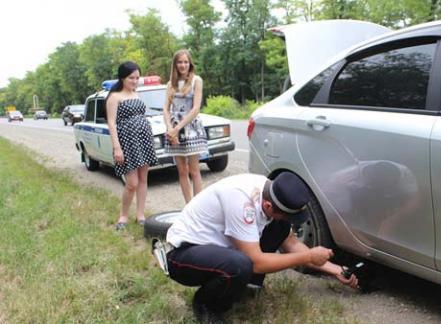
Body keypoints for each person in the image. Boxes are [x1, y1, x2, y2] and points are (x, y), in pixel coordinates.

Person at [165, 172, 359, 321]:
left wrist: (335, 270)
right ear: (267, 206)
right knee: (241, 264)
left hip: (218, 249)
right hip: (184, 254)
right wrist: (308, 257)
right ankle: (206, 305)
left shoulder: (271, 191)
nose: (292, 221)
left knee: (279, 226)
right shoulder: (242, 201)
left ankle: (247, 286)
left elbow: (290, 243)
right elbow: (256, 262)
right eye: (288, 214)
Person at [106, 61, 158, 230]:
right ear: (122, 78)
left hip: (143, 140)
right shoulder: (114, 97)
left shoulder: (136, 95)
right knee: (132, 183)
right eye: (131, 78)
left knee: (144, 179)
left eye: (137, 78)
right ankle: (123, 216)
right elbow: (112, 123)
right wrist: (117, 148)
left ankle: (140, 215)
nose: (135, 81)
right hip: (127, 143)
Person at [163, 49, 208, 203]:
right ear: (175, 65)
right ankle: (188, 205)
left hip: (190, 128)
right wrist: (170, 129)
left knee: (194, 170)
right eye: (180, 62)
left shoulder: (197, 80)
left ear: (190, 64)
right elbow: (166, 108)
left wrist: (177, 128)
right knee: (182, 170)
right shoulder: (171, 84)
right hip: (174, 129)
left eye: (185, 62)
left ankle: (198, 205)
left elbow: (196, 109)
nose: (183, 65)